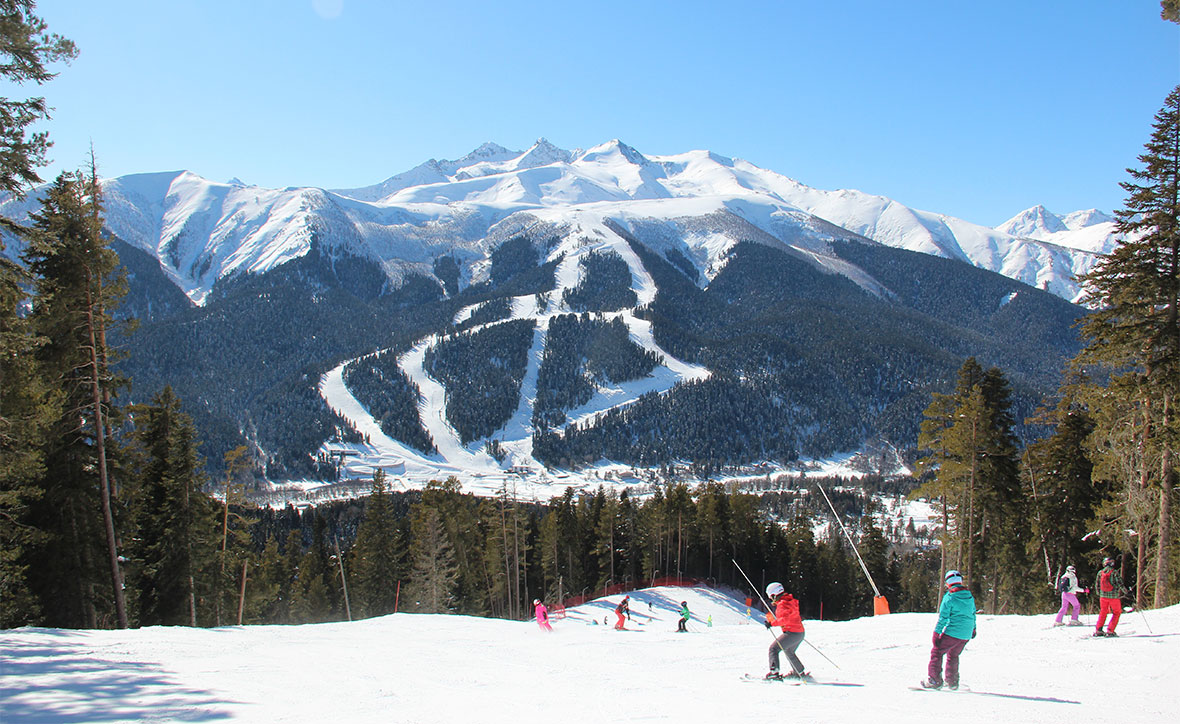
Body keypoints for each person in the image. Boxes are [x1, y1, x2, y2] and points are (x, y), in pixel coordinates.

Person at [923, 569, 976, 690]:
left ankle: (934, 680)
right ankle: (952, 682)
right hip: (966, 634)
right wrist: (973, 629)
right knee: (953, 654)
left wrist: (936, 633)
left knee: (937, 652)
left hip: (954, 632)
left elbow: (943, 618)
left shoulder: (950, 597)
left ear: (948, 583)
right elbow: (973, 614)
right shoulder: (969, 596)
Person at [763, 582, 808, 680]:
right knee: (789, 651)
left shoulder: (783, 604)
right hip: (799, 632)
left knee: (773, 649)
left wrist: (771, 624)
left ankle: (774, 673)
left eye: (771, 597)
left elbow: (785, 619)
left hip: (792, 633)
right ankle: (799, 672)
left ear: (774, 595)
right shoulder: (789, 601)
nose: (771, 599)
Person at [1094, 557, 1128, 637]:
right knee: (1116, 612)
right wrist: (1126, 592)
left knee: (1103, 612)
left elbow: (1097, 585)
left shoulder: (1100, 572)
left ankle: (1098, 630)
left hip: (1103, 597)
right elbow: (1120, 583)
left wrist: (1099, 593)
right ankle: (1110, 630)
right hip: (1113, 596)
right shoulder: (1114, 572)